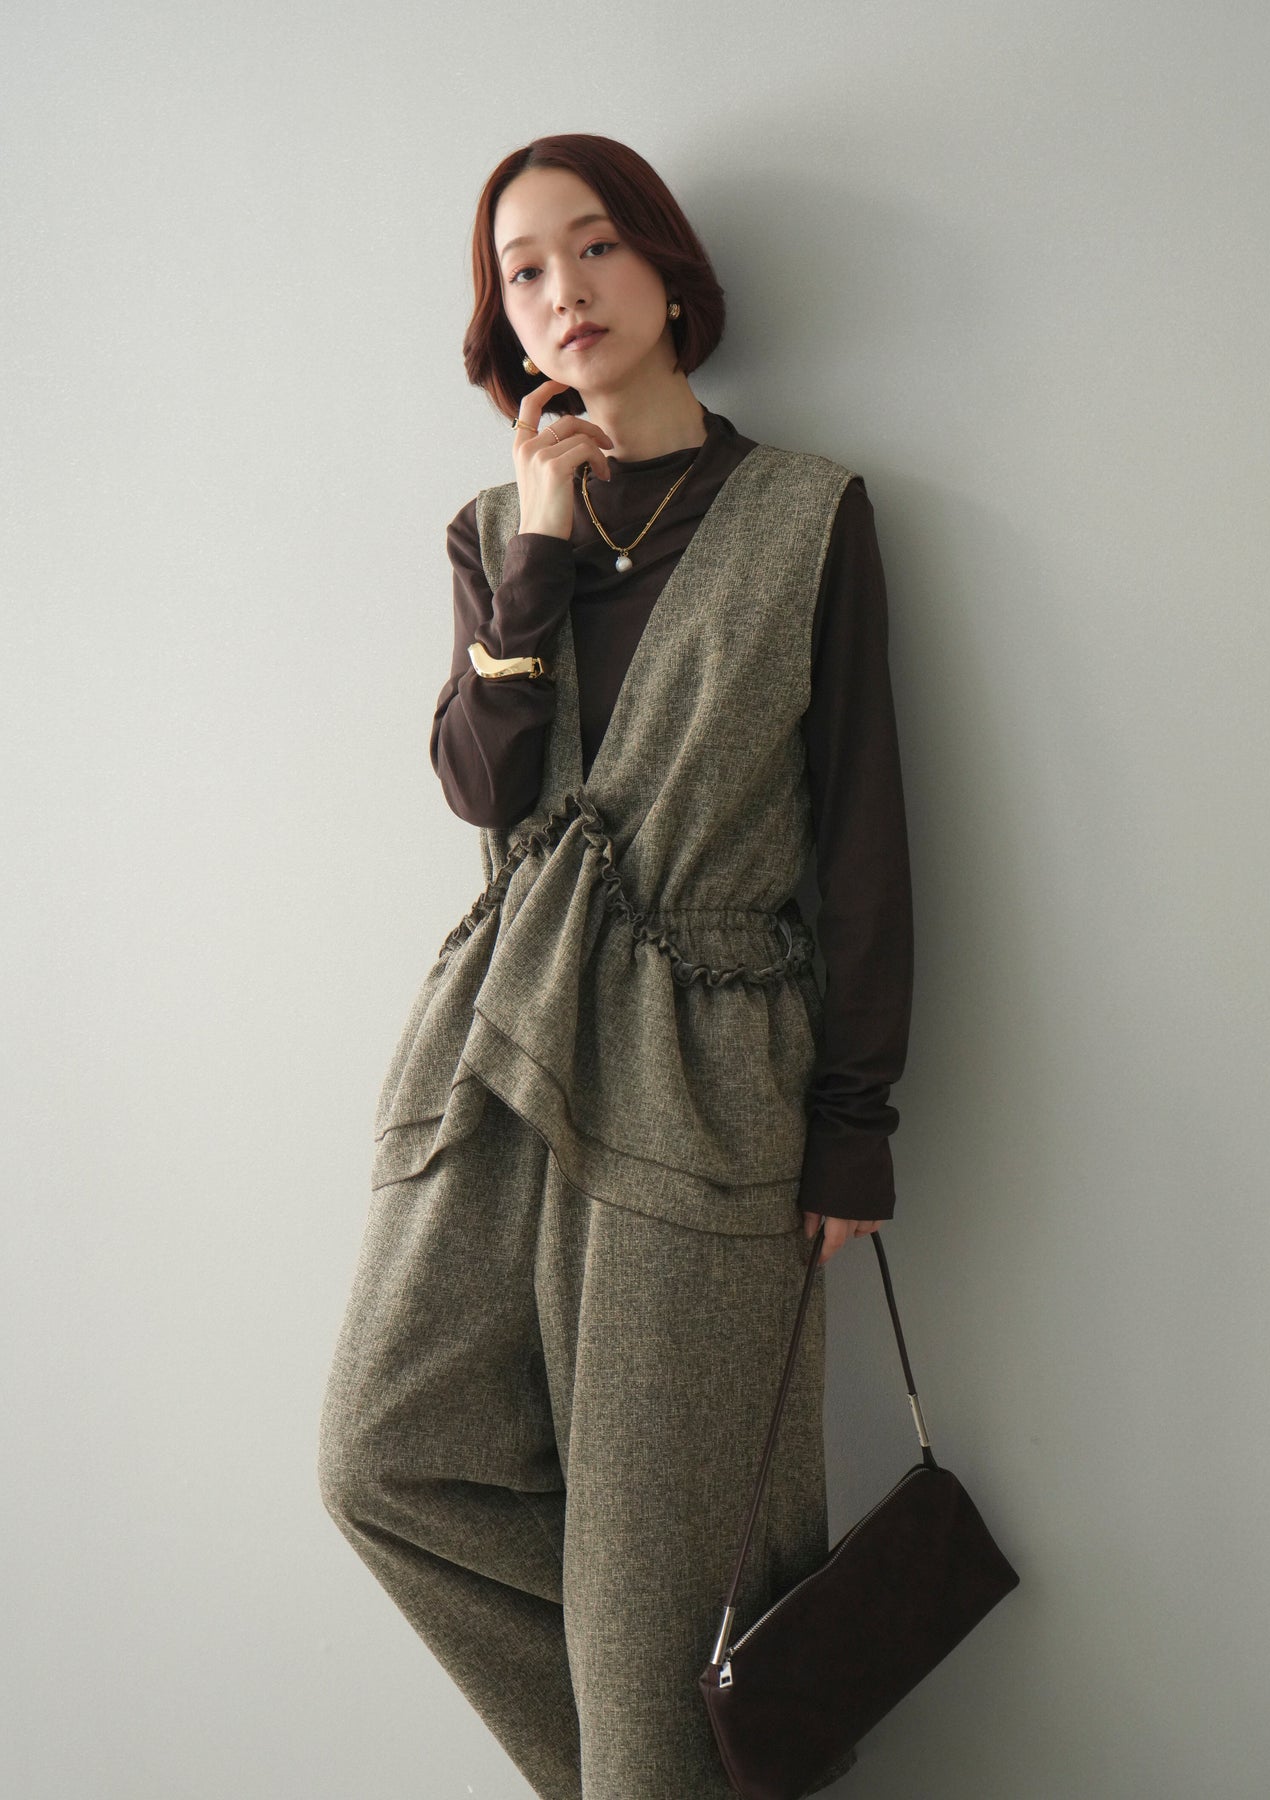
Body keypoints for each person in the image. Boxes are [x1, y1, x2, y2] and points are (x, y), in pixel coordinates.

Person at [318, 132, 913, 1800]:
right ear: (499, 322)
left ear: (663, 267)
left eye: (591, 248)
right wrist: (536, 541)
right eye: (521, 272)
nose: (562, 291)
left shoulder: (805, 514)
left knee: (663, 1574)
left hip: (711, 1077)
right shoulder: (490, 532)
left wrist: (853, 1121)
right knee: (385, 1462)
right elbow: (483, 785)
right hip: (496, 1057)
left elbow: (861, 832)